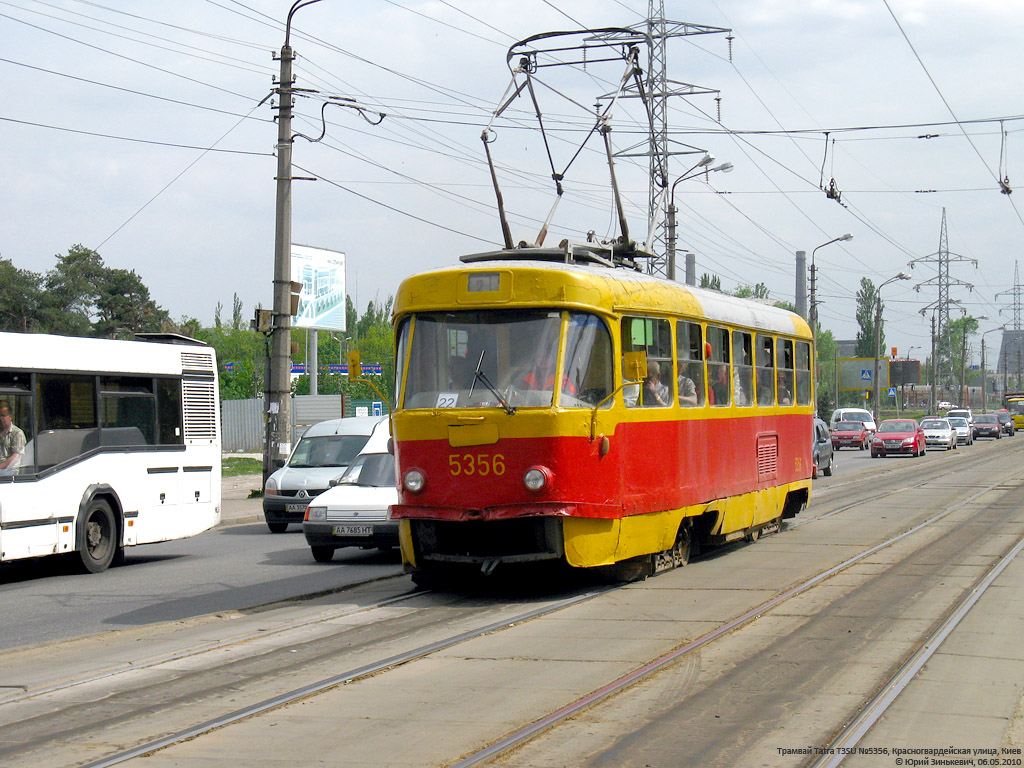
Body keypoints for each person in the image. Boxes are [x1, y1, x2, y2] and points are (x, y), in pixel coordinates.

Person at [0, 403, 26, 476]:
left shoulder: (17, 433)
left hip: (10, 470)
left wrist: (1, 467)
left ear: (10, 417)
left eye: (3, 416)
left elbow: (16, 457)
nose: (1, 418)